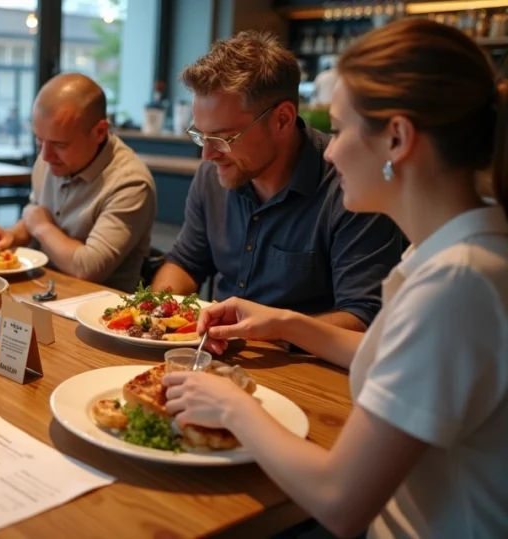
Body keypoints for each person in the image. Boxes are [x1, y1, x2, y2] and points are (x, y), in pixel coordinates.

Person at [164, 19, 508, 538]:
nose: (328, 150)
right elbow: (386, 351)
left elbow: (339, 501)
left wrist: (231, 405)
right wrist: (283, 322)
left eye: (342, 129)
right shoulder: (448, 251)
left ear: (397, 139)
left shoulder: (455, 286)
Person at [151, 31, 403, 334]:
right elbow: (186, 262)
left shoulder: (350, 187)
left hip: (303, 361)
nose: (208, 155)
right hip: (214, 350)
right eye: (200, 135)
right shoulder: (213, 175)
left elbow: (363, 318)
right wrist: (154, 314)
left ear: (283, 119)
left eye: (223, 138)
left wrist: (272, 331)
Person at [0, 73, 156, 291]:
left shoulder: (131, 183)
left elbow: (88, 267)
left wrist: (41, 226)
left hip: (99, 304)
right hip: (43, 289)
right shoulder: (50, 157)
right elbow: (37, 216)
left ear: (99, 132)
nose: (46, 156)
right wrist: (10, 237)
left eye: (60, 145)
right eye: (39, 140)